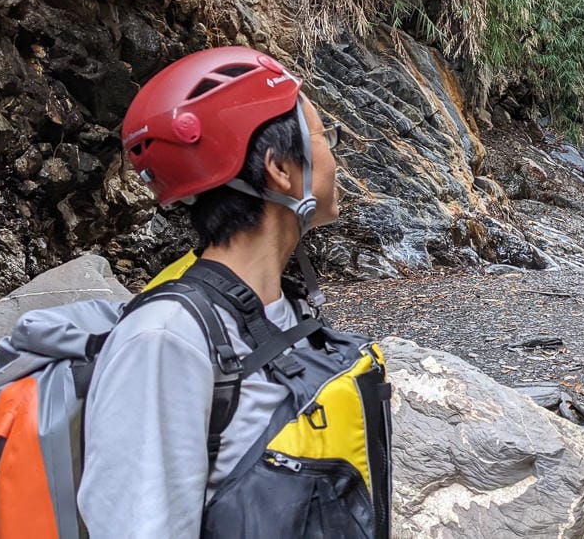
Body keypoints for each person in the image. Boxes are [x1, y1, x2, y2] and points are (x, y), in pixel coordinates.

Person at [77, 46, 390, 538]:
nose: (333, 152)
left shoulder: (281, 311)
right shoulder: (164, 340)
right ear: (280, 170)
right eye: (323, 136)